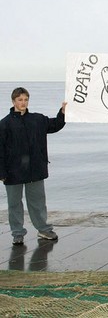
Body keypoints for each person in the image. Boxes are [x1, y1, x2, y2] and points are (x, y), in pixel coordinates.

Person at [0, 87, 66, 246]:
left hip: (35, 169)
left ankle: (43, 229)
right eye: (20, 100)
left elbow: (55, 125)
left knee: (37, 202)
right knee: (14, 205)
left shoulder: (37, 119)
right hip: (13, 172)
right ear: (13, 101)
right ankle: (17, 234)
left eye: (25, 100)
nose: (23, 103)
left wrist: (62, 112)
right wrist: (1, 172)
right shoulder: (4, 124)